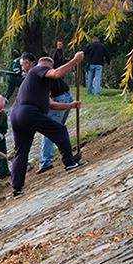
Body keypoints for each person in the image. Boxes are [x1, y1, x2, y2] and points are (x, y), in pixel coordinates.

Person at [10, 54, 87, 198]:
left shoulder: (37, 84)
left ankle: (17, 188)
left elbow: (51, 104)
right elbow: (57, 73)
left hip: (17, 115)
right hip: (28, 112)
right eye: (49, 69)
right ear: (47, 66)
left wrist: (70, 105)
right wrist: (75, 61)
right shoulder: (38, 70)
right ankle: (69, 163)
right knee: (60, 130)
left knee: (21, 151)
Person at [38, 40, 75, 174]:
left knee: (51, 131)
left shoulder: (44, 74)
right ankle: (64, 156)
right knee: (58, 129)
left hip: (61, 98)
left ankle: (45, 161)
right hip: (66, 96)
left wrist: (75, 61)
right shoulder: (47, 72)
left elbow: (48, 100)